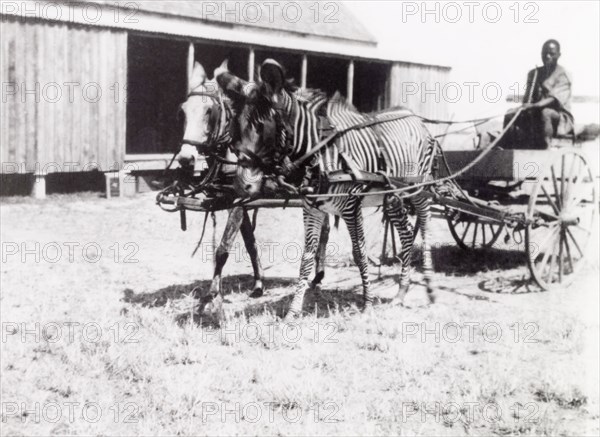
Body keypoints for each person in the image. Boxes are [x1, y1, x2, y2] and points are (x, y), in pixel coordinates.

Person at [501, 39, 574, 149]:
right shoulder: (533, 73)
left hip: (559, 118)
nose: (548, 56)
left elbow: (553, 99)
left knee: (546, 113)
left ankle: (545, 147)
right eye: (544, 53)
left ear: (559, 55)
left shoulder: (563, 74)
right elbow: (527, 99)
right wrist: (525, 106)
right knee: (510, 114)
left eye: (552, 54)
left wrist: (533, 106)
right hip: (534, 113)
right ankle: (508, 149)